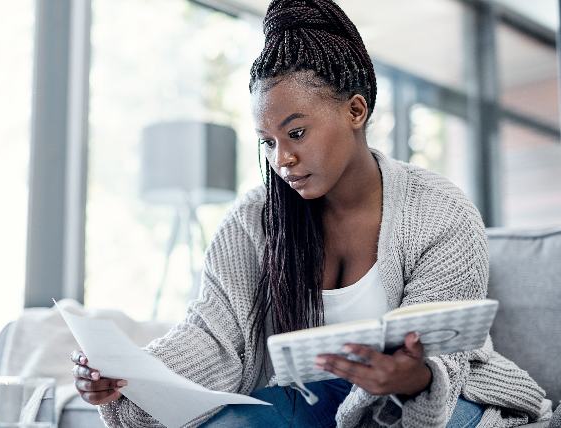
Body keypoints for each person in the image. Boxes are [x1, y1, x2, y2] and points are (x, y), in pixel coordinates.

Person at [71, 0, 548, 426]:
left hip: (432, 405)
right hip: (310, 403)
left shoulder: (440, 210)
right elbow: (213, 337)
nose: (282, 159)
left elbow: (447, 356)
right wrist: (127, 375)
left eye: (296, 133)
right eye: (269, 142)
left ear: (355, 111)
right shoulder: (253, 221)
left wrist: (412, 376)